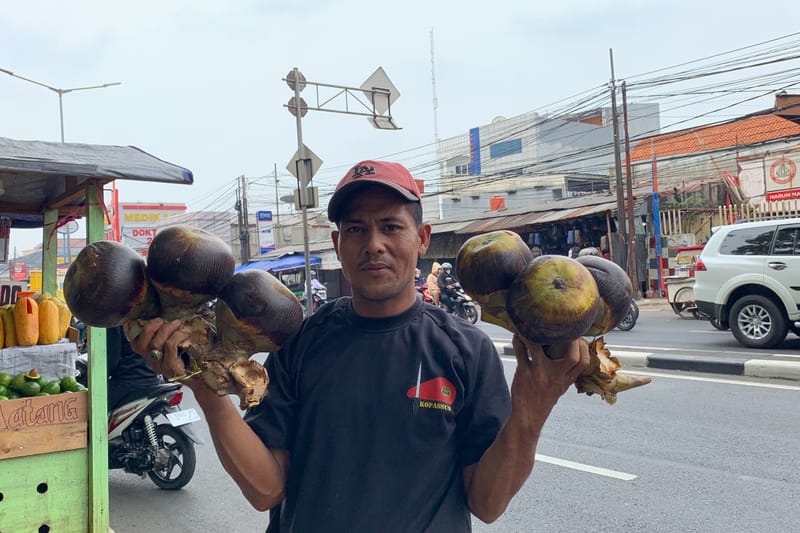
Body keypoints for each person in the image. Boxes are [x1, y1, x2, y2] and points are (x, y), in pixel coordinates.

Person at [130, 160, 590, 533]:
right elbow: (266, 490)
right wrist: (205, 389)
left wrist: (532, 407)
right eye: (356, 230)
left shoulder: (465, 350)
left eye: (391, 227)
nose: (374, 245)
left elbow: (487, 504)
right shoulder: (301, 341)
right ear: (337, 243)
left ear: (422, 240)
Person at [106, 326, 161, 411]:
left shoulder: (114, 323)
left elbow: (111, 360)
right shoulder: (147, 319)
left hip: (126, 384)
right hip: (153, 380)